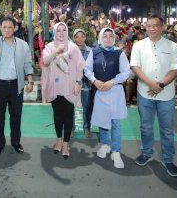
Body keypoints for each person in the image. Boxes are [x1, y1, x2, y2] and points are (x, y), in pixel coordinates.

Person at [130, 15, 177, 176]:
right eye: (149, 25)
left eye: (155, 26)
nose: (152, 28)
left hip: (166, 95)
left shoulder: (172, 46)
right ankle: (146, 153)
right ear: (145, 27)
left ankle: (168, 159)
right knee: (146, 127)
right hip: (144, 93)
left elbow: (175, 68)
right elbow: (135, 67)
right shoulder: (138, 45)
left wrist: (160, 84)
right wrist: (150, 83)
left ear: (162, 27)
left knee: (166, 130)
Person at [0, 17, 34, 156]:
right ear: (0, 28)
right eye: (4, 27)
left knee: (16, 115)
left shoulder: (23, 45)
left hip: (16, 85)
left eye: (10, 27)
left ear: (14, 28)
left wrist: (30, 81)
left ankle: (16, 142)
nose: (7, 30)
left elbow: (28, 65)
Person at [84, 27, 131, 168]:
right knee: (102, 120)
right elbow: (87, 69)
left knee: (115, 122)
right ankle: (105, 144)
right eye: (105, 36)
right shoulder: (94, 51)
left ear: (114, 38)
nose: (108, 39)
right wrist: (95, 81)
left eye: (111, 36)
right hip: (99, 91)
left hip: (114, 91)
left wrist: (112, 82)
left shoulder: (119, 53)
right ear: (100, 38)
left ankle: (116, 150)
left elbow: (125, 72)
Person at [41, 22, 85, 159]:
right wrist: (56, 51)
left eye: (63, 30)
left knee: (68, 116)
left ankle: (66, 144)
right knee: (57, 116)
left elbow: (80, 67)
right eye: (58, 30)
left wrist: (78, 82)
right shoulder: (49, 47)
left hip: (69, 87)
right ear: (54, 32)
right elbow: (45, 61)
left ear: (67, 32)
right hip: (55, 88)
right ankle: (59, 140)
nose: (61, 33)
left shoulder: (73, 48)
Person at [72, 28, 93, 138]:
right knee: (71, 107)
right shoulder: (70, 51)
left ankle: (87, 127)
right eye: (77, 36)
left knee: (87, 107)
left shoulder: (91, 51)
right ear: (74, 38)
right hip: (73, 83)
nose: (79, 39)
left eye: (82, 36)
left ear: (85, 37)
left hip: (86, 83)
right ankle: (71, 128)